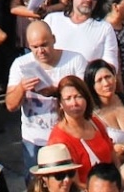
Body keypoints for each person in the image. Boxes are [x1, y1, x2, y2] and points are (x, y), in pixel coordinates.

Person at [10, 21, 88, 175]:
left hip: (68, 136)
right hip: (35, 140)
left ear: (54, 38)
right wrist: (21, 88)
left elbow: (87, 98)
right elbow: (10, 105)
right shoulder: (21, 64)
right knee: (36, 184)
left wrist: (56, 92)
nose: (40, 51)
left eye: (44, 45)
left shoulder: (75, 60)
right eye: (35, 47)